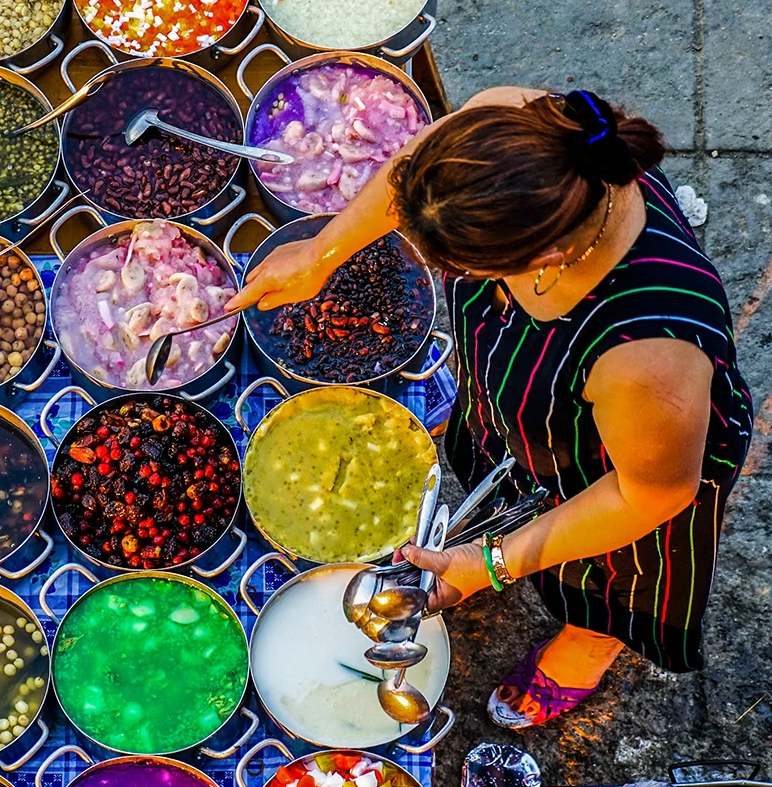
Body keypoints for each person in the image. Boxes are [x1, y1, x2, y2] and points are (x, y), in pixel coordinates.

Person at [228, 88, 753, 728]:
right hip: (528, 416)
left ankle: (588, 646)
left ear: (544, 261)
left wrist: (487, 565)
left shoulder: (648, 356)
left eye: (461, 265)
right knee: (499, 472)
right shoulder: (523, 125)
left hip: (623, 469)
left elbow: (649, 495)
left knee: (604, 582)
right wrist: (322, 252)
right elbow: (416, 174)